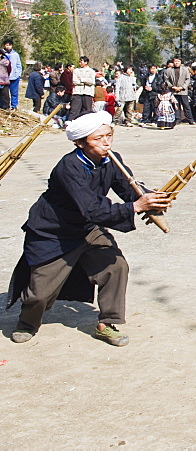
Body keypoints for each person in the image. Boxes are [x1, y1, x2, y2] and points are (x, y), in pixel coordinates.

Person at [5, 112, 171, 346]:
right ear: (80, 143)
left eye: (109, 136)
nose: (106, 143)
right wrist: (135, 207)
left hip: (87, 228)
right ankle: (28, 322)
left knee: (116, 266)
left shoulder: (112, 159)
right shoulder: (69, 167)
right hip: (54, 230)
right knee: (39, 293)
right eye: (98, 138)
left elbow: (127, 188)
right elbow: (92, 208)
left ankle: (108, 322)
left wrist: (150, 197)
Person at [69, 56, 96, 120]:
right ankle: (70, 122)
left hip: (88, 92)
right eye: (79, 61)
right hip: (77, 92)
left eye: (81, 61)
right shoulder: (76, 71)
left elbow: (92, 81)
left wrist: (82, 79)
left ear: (86, 62)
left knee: (87, 110)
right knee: (75, 109)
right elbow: (75, 81)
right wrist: (85, 82)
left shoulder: (91, 71)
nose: (80, 63)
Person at [3, 39, 23, 110]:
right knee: (4, 93)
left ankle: (14, 106)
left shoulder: (15, 54)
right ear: (4, 45)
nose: (8, 47)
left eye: (9, 45)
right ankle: (5, 106)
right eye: (6, 45)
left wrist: (18, 74)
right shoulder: (2, 54)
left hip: (14, 77)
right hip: (4, 78)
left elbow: (19, 65)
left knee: (14, 93)